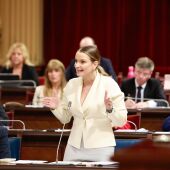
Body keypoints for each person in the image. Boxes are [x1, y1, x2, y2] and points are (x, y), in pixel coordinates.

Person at [43, 46, 127, 161]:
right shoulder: (72, 84)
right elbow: (65, 118)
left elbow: (121, 120)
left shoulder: (109, 84)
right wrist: (55, 107)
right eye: (76, 61)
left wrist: (110, 109)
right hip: (74, 146)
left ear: (94, 64)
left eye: (82, 62)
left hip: (101, 147)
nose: (77, 65)